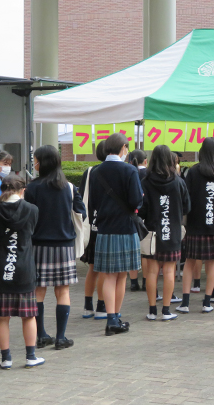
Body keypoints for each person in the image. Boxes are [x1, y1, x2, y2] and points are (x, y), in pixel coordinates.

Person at [0, 175, 45, 369]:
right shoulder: (32, 210)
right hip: (23, 268)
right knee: (29, 316)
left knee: (1, 318)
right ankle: (31, 356)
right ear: (23, 191)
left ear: (1, 190)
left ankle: (6, 359)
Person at [25, 145, 85, 350]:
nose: (34, 163)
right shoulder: (68, 187)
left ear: (42, 162)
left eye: (36, 160)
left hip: (38, 245)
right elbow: (80, 213)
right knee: (63, 291)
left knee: (38, 291)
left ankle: (41, 335)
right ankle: (61, 337)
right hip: (64, 245)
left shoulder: (31, 188)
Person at [89, 133, 142, 336]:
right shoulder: (129, 170)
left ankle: (112, 318)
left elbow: (92, 201)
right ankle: (115, 317)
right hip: (126, 228)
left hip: (104, 229)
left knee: (109, 276)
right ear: (123, 148)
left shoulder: (96, 171)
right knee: (121, 276)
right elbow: (136, 200)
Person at [178, 137, 214, 314]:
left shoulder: (193, 172)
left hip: (195, 225)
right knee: (212, 264)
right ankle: (207, 302)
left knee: (189, 263)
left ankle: (185, 303)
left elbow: (186, 198)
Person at [140, 145, 190, 321]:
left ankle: (152, 310)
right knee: (169, 271)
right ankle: (166, 311)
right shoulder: (179, 182)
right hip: (173, 232)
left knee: (152, 272)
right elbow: (187, 207)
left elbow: (142, 209)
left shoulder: (145, 182)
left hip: (152, 233)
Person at [80, 140, 108, 319]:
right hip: (107, 226)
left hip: (91, 226)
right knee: (105, 269)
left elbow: (82, 198)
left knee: (93, 268)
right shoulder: (115, 171)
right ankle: (101, 307)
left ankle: (87, 306)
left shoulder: (89, 171)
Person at [128, 149, 148, 292]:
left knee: (133, 251)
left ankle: (134, 282)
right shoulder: (149, 175)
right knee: (146, 252)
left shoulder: (128, 172)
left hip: (131, 216)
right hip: (147, 219)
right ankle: (146, 282)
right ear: (145, 161)